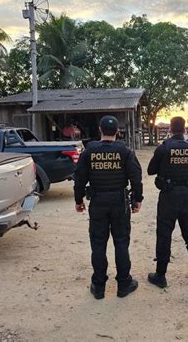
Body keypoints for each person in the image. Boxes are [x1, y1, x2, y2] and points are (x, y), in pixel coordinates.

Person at [74, 115, 143, 299]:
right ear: (118, 132)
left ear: (100, 130)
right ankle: (123, 284)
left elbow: (79, 177)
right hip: (120, 203)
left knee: (98, 244)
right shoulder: (126, 152)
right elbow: (136, 177)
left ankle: (98, 287)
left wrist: (78, 200)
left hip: (97, 202)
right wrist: (137, 199)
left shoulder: (89, 151)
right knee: (121, 242)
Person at [147, 116, 188, 288]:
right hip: (187, 195)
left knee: (164, 234)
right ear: (184, 129)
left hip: (169, 196)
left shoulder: (164, 148)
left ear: (170, 128)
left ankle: (161, 275)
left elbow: (150, 170)